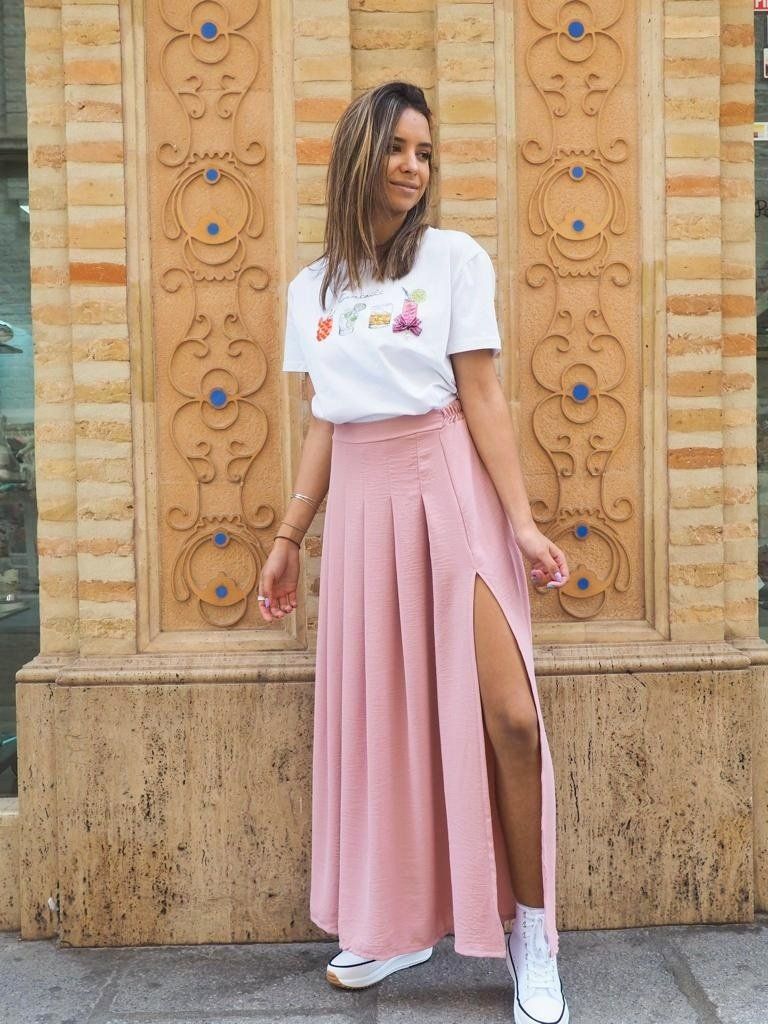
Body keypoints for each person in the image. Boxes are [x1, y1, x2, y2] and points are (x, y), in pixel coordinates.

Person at [258, 81, 571, 1024]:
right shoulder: (310, 289)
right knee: (386, 725)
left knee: (510, 718)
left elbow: (482, 394)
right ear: (359, 155)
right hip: (360, 509)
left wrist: (520, 523)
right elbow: (323, 418)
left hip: (447, 491)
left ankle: (532, 937)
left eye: (425, 152)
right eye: (398, 147)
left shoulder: (453, 259)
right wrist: (289, 537)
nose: (412, 167)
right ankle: (394, 924)